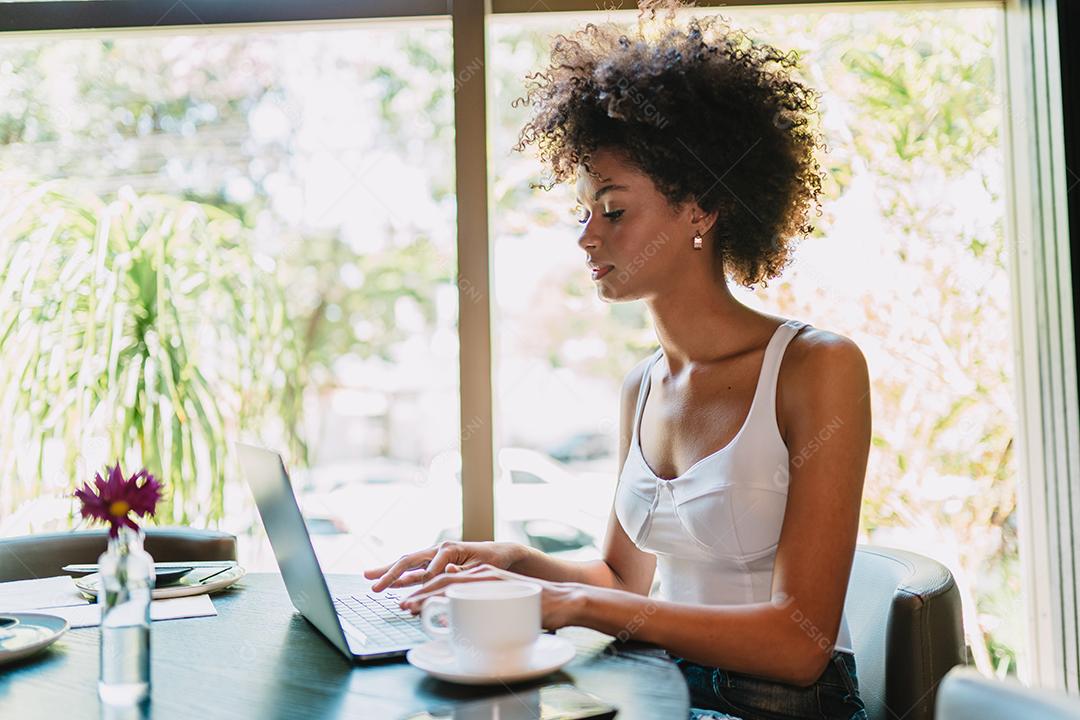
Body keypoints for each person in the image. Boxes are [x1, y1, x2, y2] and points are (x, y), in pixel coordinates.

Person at [365, 2, 870, 718]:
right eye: (584, 209)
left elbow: (799, 643)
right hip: (661, 688)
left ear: (701, 209)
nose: (586, 237)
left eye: (613, 208)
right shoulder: (643, 384)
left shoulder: (816, 366)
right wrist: (515, 562)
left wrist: (573, 605)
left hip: (779, 705)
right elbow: (623, 579)